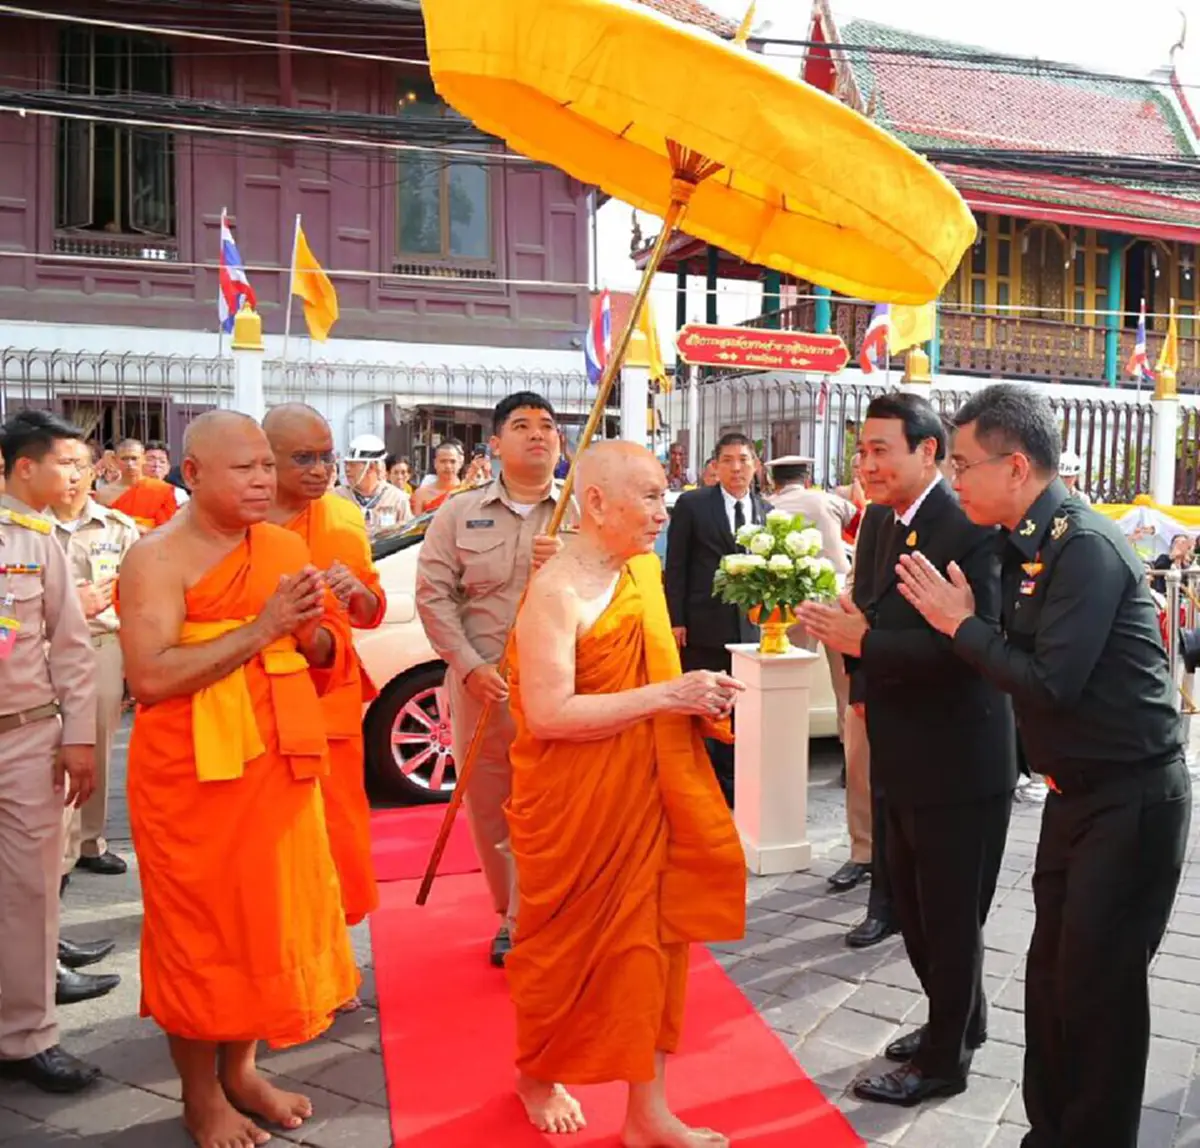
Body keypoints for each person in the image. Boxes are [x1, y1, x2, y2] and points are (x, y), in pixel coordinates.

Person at [896, 382, 1191, 1148]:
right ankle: (1050, 1134)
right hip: (1076, 797)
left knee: (1100, 991)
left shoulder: (1083, 547)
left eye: (962, 464)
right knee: (1052, 980)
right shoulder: (1028, 541)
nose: (953, 479)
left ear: (1016, 467)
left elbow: (1048, 680)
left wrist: (959, 627)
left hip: (1130, 799)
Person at [118, 410, 358, 1148]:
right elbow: (151, 677)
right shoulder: (156, 559)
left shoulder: (282, 545)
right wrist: (261, 628)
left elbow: (320, 652)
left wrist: (313, 627)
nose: (264, 480)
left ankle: (244, 1070)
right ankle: (200, 1095)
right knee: (201, 933)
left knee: (267, 922)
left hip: (277, 761)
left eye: (266, 466)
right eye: (245, 468)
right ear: (190, 475)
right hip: (192, 773)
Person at [507, 440, 746, 1144]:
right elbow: (550, 714)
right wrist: (667, 693)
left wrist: (695, 702)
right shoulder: (556, 591)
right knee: (561, 956)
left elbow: (652, 681)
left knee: (655, 953)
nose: (661, 508)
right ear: (596, 503)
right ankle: (535, 1075)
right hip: (576, 806)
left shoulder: (642, 571)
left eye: (662, 492)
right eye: (646, 495)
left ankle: (648, 1113)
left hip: (649, 792)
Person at [800, 393, 1016, 1106]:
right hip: (903, 750)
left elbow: (970, 649)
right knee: (917, 914)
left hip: (957, 758)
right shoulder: (885, 526)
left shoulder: (970, 528)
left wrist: (866, 642)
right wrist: (852, 634)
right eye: (860, 452)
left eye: (881, 449)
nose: (867, 464)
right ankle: (959, 1024)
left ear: (928, 452)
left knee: (947, 920)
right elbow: (879, 618)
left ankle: (944, 1062)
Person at [415, 394, 567, 968]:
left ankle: (562, 908)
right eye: (521, 426)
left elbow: (624, 589)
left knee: (566, 800)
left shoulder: (583, 511)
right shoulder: (459, 512)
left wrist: (573, 564)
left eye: (548, 426)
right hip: (486, 684)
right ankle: (513, 915)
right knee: (493, 801)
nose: (538, 435)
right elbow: (433, 596)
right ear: (496, 444)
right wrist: (469, 666)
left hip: (568, 684)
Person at [0, 413, 104, 1094]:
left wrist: (78, 739)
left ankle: (28, 1034)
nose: (76, 476)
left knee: (30, 890)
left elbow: (70, 644)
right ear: (24, 466)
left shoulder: (36, 541)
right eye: (65, 462)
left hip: (23, 734)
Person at [263, 404, 383, 942]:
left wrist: (356, 595)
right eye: (303, 458)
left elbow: (369, 610)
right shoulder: (242, 516)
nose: (320, 470)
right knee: (273, 836)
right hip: (259, 696)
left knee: (338, 828)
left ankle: (332, 946)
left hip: (328, 692)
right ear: (266, 460)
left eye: (327, 457)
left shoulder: (342, 519)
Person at [49, 439, 140, 878]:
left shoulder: (118, 528)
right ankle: (55, 848)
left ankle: (89, 840)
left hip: (101, 650)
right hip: (42, 653)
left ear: (97, 470)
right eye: (61, 464)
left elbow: (139, 598)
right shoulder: (25, 527)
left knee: (98, 748)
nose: (70, 475)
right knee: (45, 748)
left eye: (79, 466)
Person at [664, 432, 770, 806]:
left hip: (750, 630)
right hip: (703, 626)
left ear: (755, 465)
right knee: (707, 708)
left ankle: (737, 787)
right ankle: (705, 787)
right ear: (716, 465)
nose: (737, 468)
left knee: (742, 709)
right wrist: (676, 618)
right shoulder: (694, 505)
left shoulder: (767, 512)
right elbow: (675, 565)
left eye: (744, 459)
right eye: (728, 460)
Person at [94, 437, 179, 533]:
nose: (130, 464)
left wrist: (134, 527)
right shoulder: (104, 494)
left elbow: (168, 529)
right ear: (115, 460)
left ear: (143, 458)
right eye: (124, 459)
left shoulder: (162, 489)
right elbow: (101, 530)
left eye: (134, 458)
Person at [334, 434, 411, 535]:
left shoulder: (396, 498)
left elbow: (408, 534)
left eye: (352, 465)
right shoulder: (336, 497)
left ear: (371, 467)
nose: (347, 469)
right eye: (346, 464)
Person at [411, 439, 466, 516]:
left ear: (460, 463)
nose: (448, 466)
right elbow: (416, 525)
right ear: (435, 463)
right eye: (443, 461)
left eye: (453, 461)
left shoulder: (466, 491)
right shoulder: (421, 494)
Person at [144, 440, 190, 507]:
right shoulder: (130, 492)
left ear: (168, 468)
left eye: (162, 461)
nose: (156, 464)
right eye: (150, 460)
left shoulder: (179, 495)